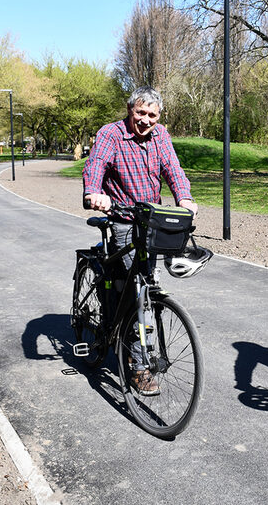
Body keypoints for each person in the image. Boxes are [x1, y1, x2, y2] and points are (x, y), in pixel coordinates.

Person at [82, 86, 198, 395]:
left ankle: (125, 327)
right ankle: (137, 365)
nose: (146, 120)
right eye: (140, 113)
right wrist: (95, 192)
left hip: (151, 220)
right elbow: (96, 165)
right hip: (121, 218)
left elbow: (173, 169)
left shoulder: (160, 136)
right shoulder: (112, 134)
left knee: (144, 289)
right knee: (136, 292)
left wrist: (184, 198)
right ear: (130, 110)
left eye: (152, 115)